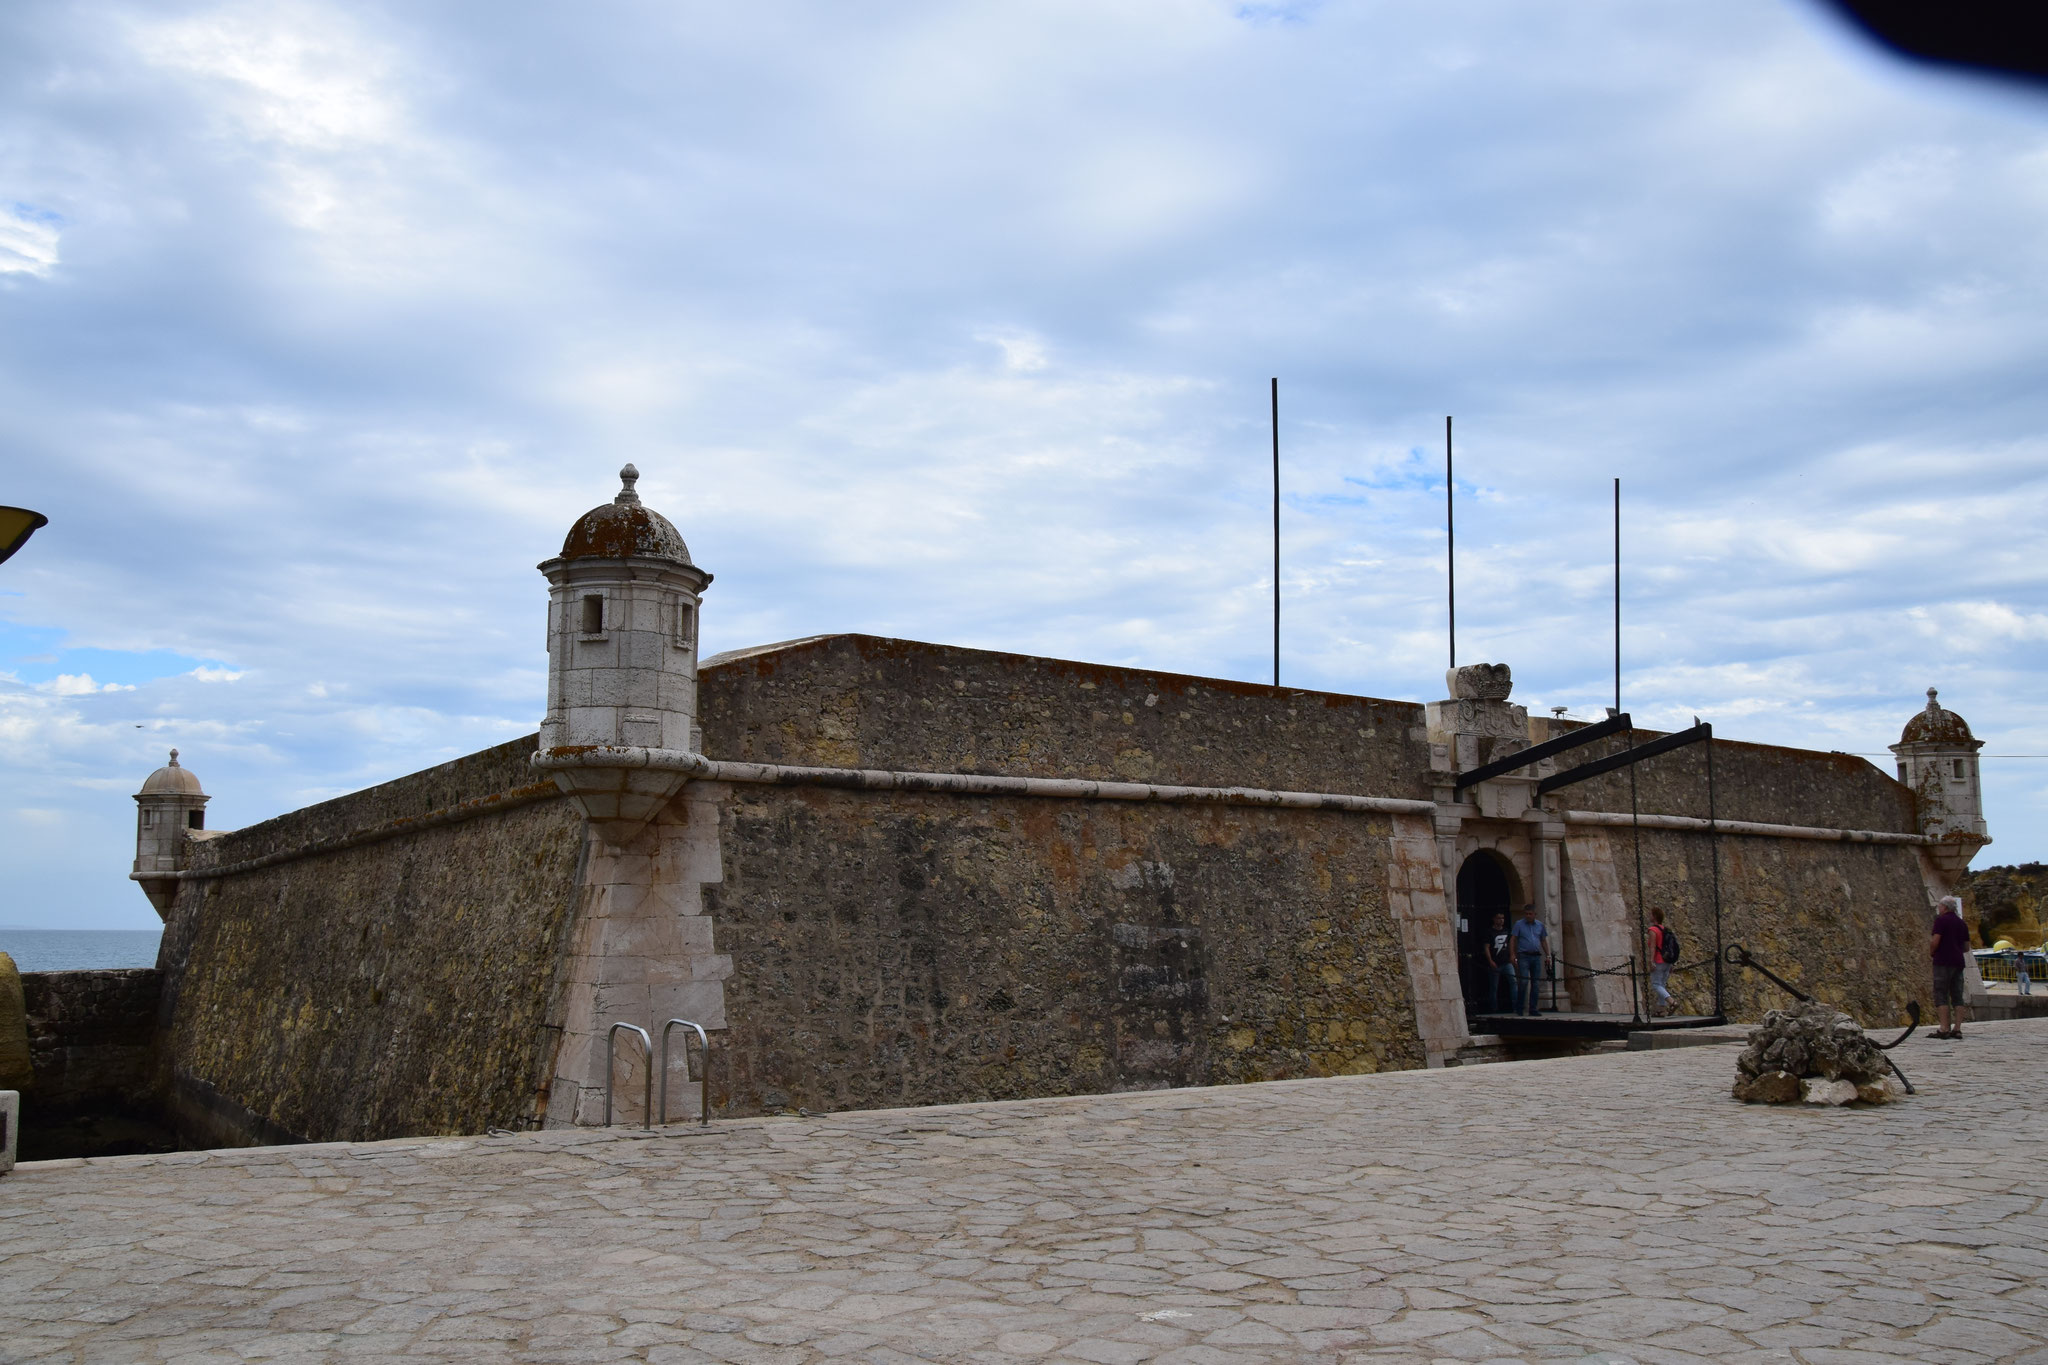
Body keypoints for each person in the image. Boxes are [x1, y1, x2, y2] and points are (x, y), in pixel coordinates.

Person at [1930, 896, 1971, 1039]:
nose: (1938, 909)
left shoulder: (1941, 921)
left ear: (1945, 907)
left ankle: (1944, 1028)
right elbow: (1966, 947)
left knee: (1941, 994)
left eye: (1940, 906)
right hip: (1958, 962)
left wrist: (1932, 951)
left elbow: (1935, 940)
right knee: (1957, 996)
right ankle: (1957, 1028)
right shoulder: (1961, 923)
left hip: (1942, 961)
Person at [1511, 904, 1551, 1017]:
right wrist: (1512, 954)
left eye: (1530, 914)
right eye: (1526, 914)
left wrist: (1548, 955)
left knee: (1536, 983)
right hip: (1523, 955)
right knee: (1523, 982)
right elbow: (1513, 939)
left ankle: (1533, 1008)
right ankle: (1520, 1007)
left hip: (1536, 956)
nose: (1528, 916)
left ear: (1534, 914)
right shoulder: (1519, 924)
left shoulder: (1540, 925)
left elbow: (1543, 940)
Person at [1482, 912, 1514, 1012]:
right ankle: (1494, 1008)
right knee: (1494, 986)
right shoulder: (1489, 932)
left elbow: (1510, 944)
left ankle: (1516, 1006)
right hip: (1495, 963)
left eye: (1503, 918)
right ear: (1494, 919)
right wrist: (1490, 960)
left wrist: (1512, 956)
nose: (1501, 920)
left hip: (1506, 962)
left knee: (1514, 982)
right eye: (1499, 918)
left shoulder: (1506, 931)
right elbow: (1486, 947)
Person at [1647, 907, 1675, 1017]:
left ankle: (1672, 1002)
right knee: (1662, 985)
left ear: (1654, 916)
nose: (1649, 916)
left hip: (1658, 960)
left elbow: (1652, 947)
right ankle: (1661, 1010)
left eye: (1651, 914)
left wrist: (1651, 961)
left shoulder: (1653, 930)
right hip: (1667, 960)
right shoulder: (1665, 930)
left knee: (1656, 984)